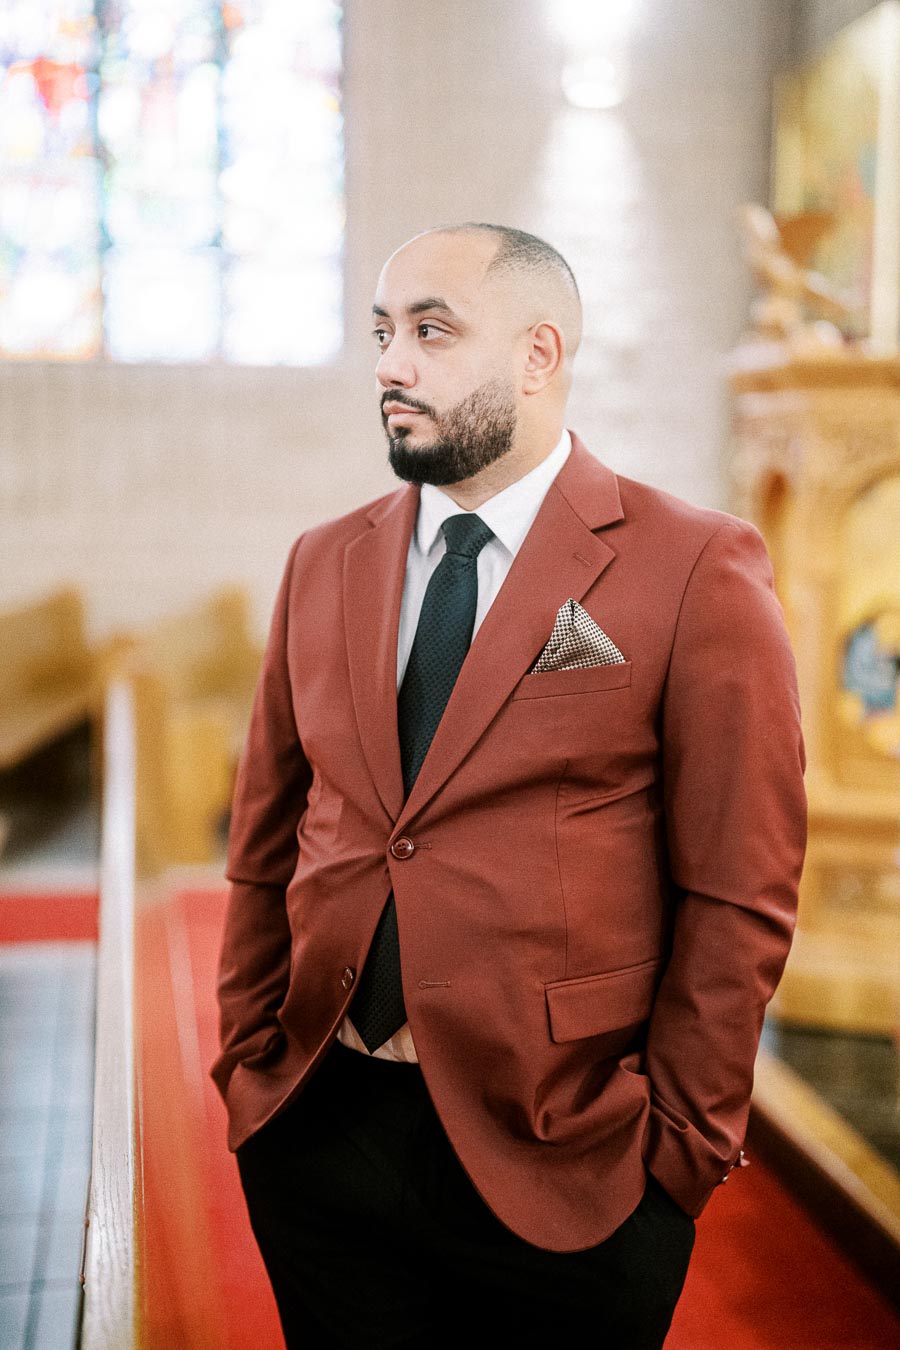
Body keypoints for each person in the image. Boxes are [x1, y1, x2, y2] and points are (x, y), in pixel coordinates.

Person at [212, 223, 807, 1349]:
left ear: (540, 355)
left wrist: (679, 1145)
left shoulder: (692, 567)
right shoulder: (324, 559)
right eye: (384, 333)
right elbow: (266, 838)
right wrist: (249, 1059)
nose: (391, 364)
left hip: (567, 1151)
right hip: (322, 1123)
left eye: (432, 330)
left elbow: (742, 889)